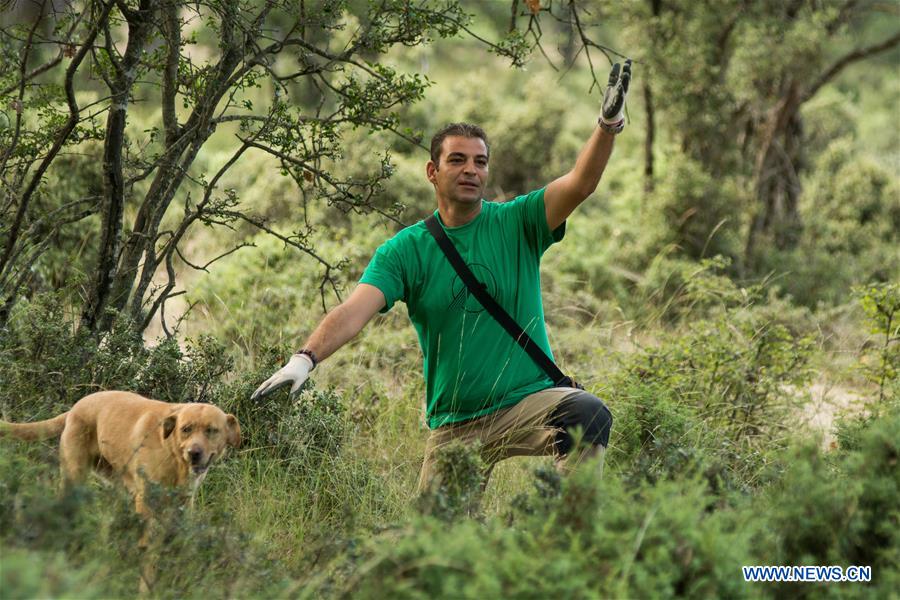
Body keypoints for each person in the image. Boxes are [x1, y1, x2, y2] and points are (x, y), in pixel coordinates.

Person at [252, 61, 632, 493]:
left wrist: (607, 125)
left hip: (527, 403)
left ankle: (566, 547)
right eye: (458, 160)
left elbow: (580, 183)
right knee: (434, 547)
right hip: (456, 425)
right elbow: (353, 312)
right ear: (433, 172)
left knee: (589, 413)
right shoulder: (406, 251)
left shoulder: (518, 222)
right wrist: (304, 359)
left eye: (480, 162)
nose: (471, 170)